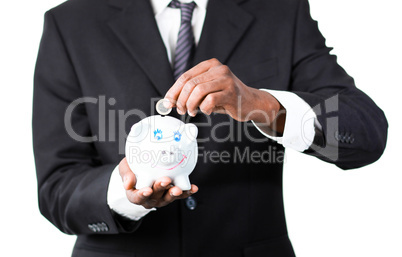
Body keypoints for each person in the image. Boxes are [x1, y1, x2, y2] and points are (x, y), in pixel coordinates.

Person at [32, 0, 388, 256]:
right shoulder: (71, 22)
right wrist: (126, 193)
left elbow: (366, 133)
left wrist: (263, 105)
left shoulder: (281, 11)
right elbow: (56, 188)